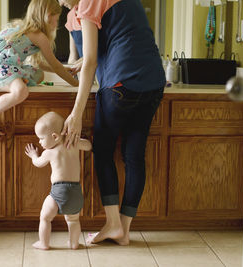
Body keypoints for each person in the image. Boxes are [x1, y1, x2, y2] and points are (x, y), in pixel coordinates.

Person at [59, 0, 166, 245]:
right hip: (153, 83)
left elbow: (93, 61)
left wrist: (76, 114)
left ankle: (113, 223)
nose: (61, 2)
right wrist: (84, 59)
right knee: (134, 156)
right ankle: (124, 230)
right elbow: (119, 37)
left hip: (120, 83)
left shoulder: (87, 3)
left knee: (104, 151)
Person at [0, 0, 78, 142]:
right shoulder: (40, 37)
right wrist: (77, 85)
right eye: (57, 18)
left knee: (38, 75)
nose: (57, 23)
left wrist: (66, 69)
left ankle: (12, 83)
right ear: (48, 16)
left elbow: (38, 63)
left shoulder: (22, 27)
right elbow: (56, 66)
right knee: (21, 91)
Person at [24, 111, 92, 250]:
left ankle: (44, 243)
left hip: (59, 191)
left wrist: (33, 155)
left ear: (55, 136)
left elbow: (38, 163)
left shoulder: (49, 152)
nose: (39, 142)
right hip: (76, 192)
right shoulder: (72, 144)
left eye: (41, 138)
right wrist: (76, 139)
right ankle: (74, 244)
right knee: (73, 220)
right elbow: (89, 146)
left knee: (45, 217)